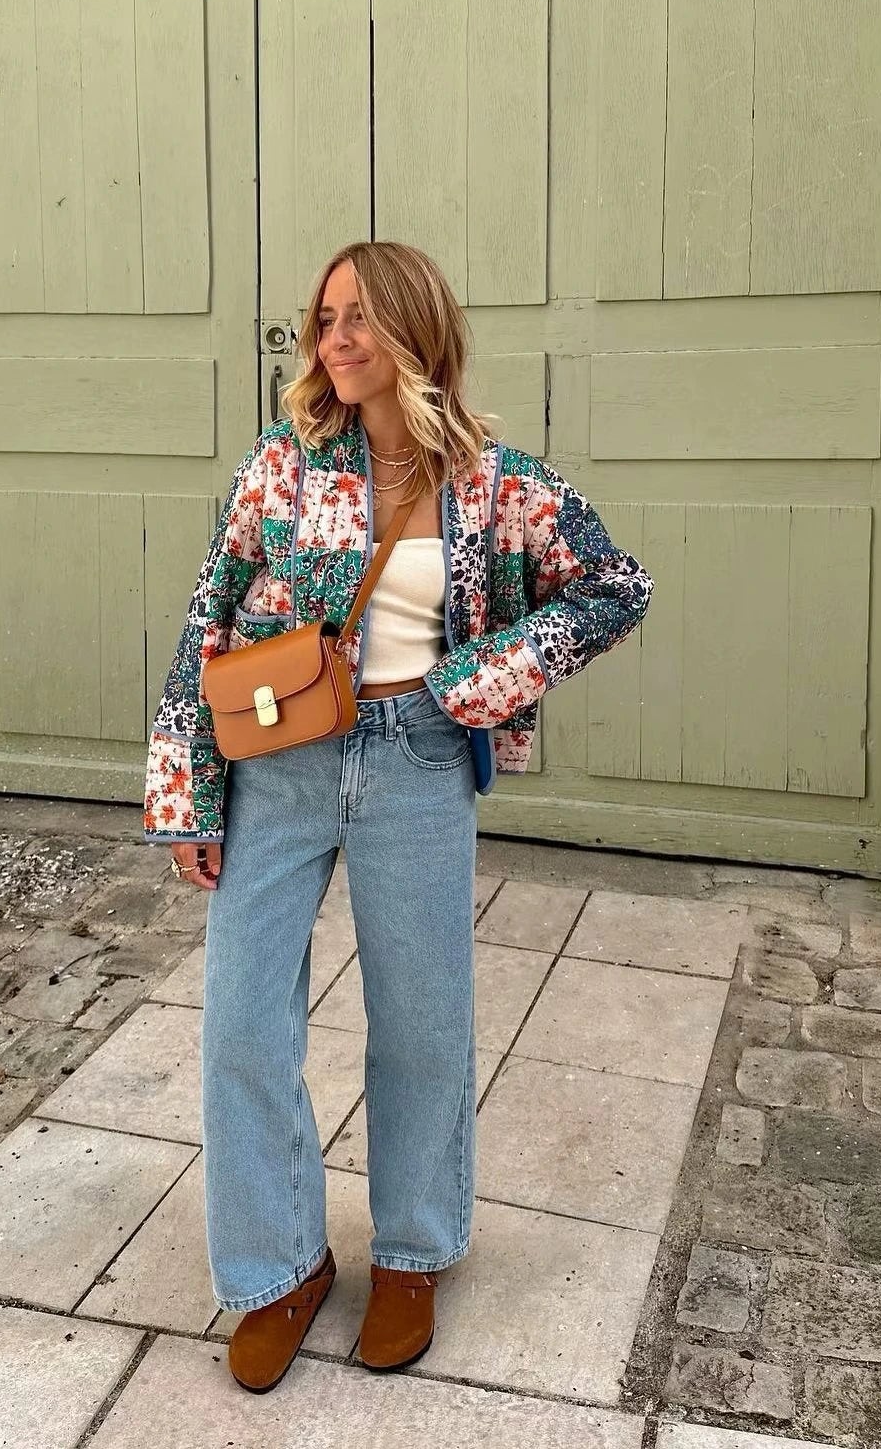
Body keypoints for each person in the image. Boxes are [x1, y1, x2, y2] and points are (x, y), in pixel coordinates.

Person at [142, 240, 652, 1393]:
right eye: (326, 320)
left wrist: (480, 680)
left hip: (418, 757)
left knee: (420, 1022)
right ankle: (280, 1263)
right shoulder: (281, 468)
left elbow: (617, 586)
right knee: (242, 1022)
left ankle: (414, 1251)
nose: (339, 340)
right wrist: (186, 791)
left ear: (417, 327)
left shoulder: (498, 483)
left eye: (362, 317)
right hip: (281, 765)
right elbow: (206, 619)